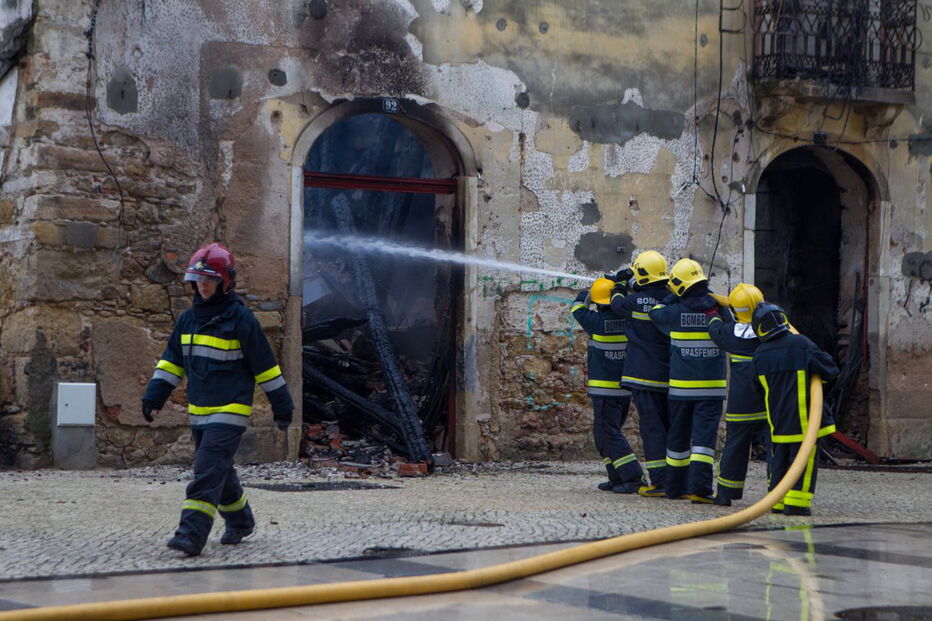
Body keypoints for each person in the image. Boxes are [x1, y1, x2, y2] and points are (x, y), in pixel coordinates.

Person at [142, 242, 294, 556]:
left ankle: (190, 534)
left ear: (226, 282)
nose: (204, 285)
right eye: (199, 280)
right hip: (199, 411)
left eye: (210, 279)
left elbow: (266, 367)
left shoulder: (241, 320)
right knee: (219, 472)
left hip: (230, 410)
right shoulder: (187, 321)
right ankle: (240, 521)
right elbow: (171, 361)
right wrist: (154, 395)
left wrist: (282, 406)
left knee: (207, 469)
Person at [648, 258, 727, 503]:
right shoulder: (719, 309)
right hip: (712, 390)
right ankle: (700, 490)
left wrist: (672, 297)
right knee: (703, 442)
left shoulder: (674, 311)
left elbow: (655, 313)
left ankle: (674, 488)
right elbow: (731, 332)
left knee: (677, 439)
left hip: (681, 389)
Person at [751, 302, 838, 516]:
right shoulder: (801, 344)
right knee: (803, 461)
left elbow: (757, 390)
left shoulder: (760, 354)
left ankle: (777, 500)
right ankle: (797, 503)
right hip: (804, 422)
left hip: (777, 422)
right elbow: (830, 369)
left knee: (778, 460)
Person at [572, 277, 644, 493]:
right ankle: (617, 476)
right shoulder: (630, 319)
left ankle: (633, 477)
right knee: (603, 433)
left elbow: (577, 307)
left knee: (609, 433)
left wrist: (588, 291)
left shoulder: (595, 321)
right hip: (623, 390)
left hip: (604, 390)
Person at [608, 251, 671, 497]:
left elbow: (616, 303)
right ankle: (677, 479)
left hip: (644, 377)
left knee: (652, 429)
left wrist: (621, 283)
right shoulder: (672, 298)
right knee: (672, 428)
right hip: (671, 378)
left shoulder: (633, 302)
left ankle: (660, 482)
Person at [707, 283, 769, 506]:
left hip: (741, 404)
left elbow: (716, 330)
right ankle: (778, 492)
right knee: (776, 449)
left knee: (734, 448)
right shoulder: (769, 333)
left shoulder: (732, 334)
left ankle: (725, 494)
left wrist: (714, 312)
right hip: (768, 402)